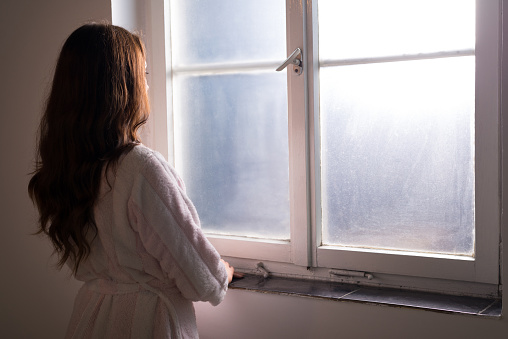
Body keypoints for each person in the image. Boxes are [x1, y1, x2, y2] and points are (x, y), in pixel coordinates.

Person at [28, 22, 234, 338]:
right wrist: (223, 273)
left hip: (89, 319)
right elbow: (200, 279)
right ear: (121, 86)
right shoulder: (139, 168)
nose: (147, 87)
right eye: (144, 75)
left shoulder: (64, 168)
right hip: (147, 324)